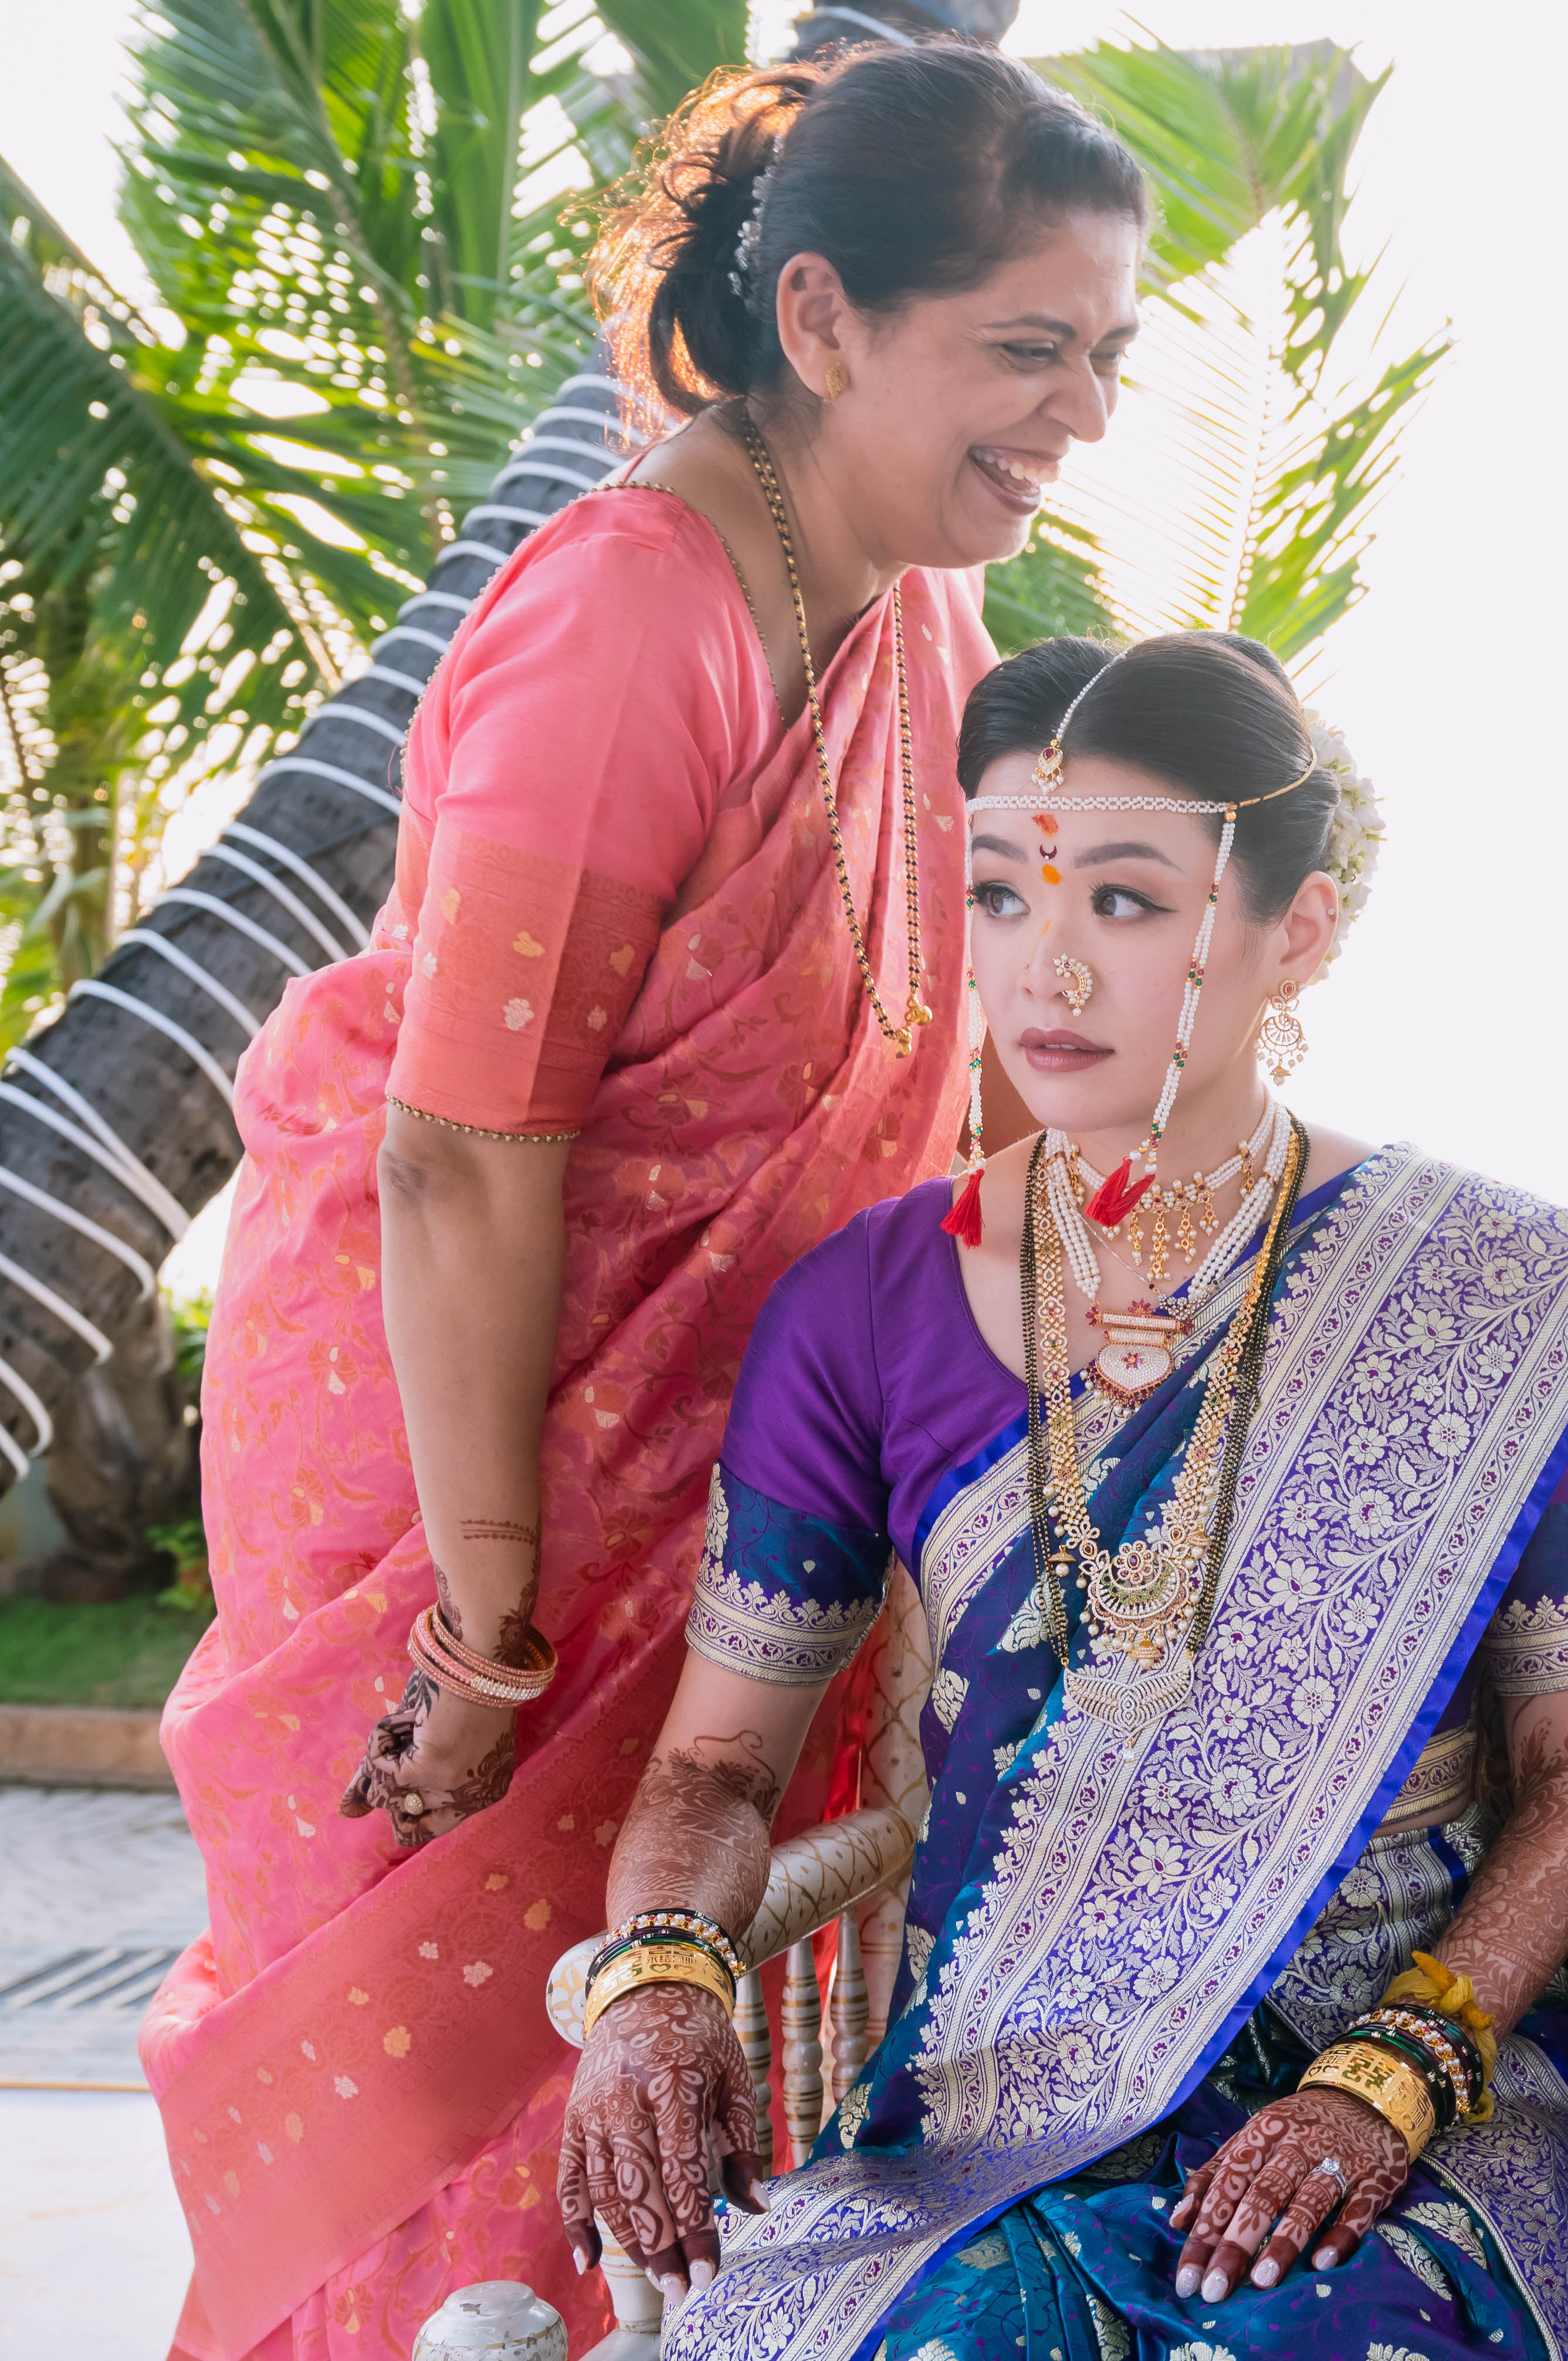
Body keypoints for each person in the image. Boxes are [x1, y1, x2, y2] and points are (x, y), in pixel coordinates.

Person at [147, 45, 1146, 2360]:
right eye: (1030, 347)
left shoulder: (917, 617)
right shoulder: (632, 617)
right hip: (456, 1460)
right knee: (434, 2127)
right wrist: (487, 1631)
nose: (1083, 413)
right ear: (821, 319)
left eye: (1109, 353)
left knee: (691, 2082)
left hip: (725, 1476)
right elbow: (461, 1151)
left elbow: (976, 1075)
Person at [563, 632, 1568, 2361]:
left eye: (1130, 903)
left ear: (1297, 932)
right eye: (1004, 895)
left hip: (1401, 2108)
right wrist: (658, 1978)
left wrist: (1393, 2077)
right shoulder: (862, 1309)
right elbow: (716, 1768)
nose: (1051, 968)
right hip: (986, 2110)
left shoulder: (1487, 1294)